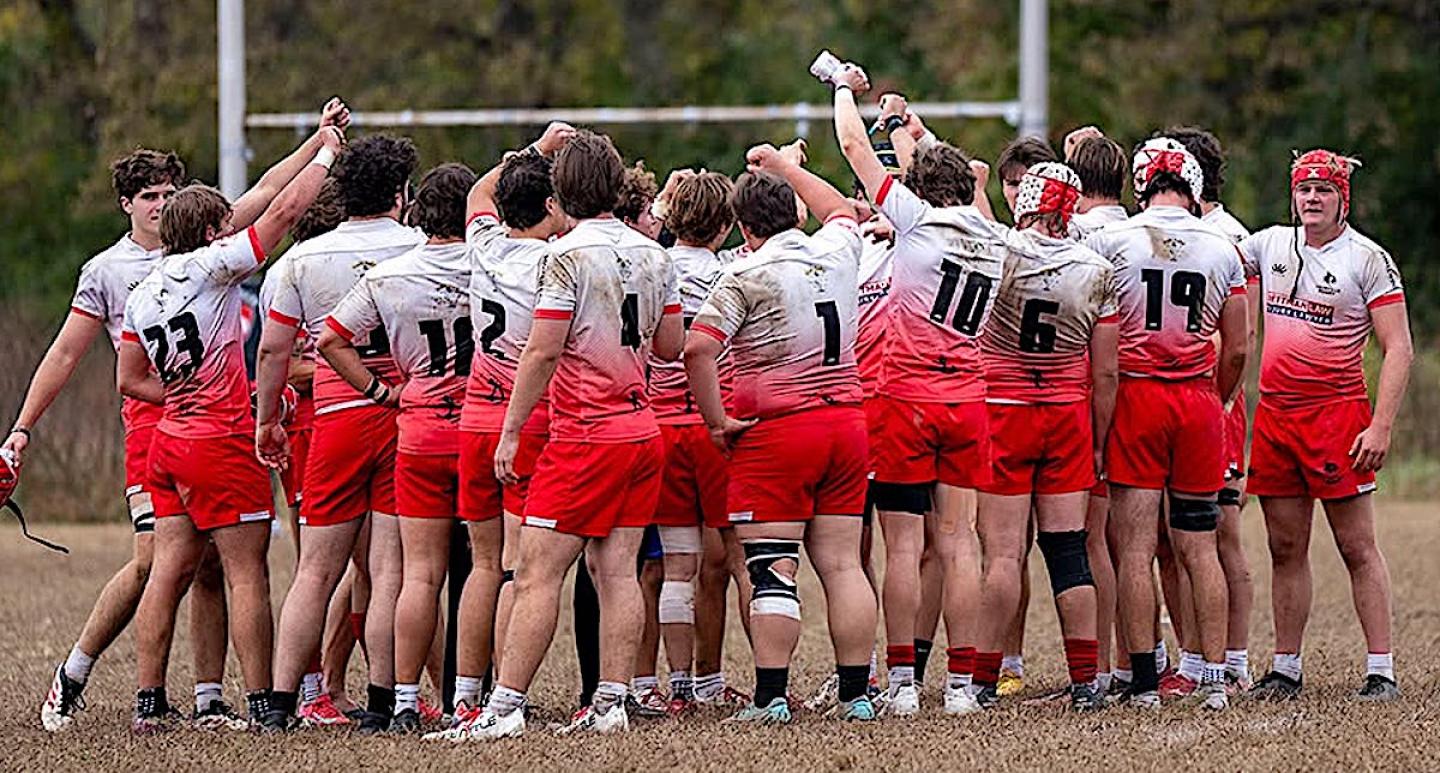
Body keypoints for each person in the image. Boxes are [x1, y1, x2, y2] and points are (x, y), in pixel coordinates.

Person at [117, 119, 343, 733]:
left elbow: (129, 379)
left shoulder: (144, 291)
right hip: (219, 440)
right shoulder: (213, 269)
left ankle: (150, 700)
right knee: (248, 573)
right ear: (214, 235)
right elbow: (288, 206)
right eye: (226, 226)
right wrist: (327, 156)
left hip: (169, 442)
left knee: (170, 570)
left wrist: (183, 395)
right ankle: (265, 706)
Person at [466, 130, 682, 740]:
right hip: (642, 430)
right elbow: (668, 347)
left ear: (560, 194)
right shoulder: (653, 254)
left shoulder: (566, 257)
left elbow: (540, 352)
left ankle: (503, 709)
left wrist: (510, 434)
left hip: (586, 433)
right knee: (617, 572)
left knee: (535, 573)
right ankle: (611, 701)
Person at [16, 149, 233, 732]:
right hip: (151, 426)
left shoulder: (208, 256)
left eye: (169, 194)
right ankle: (74, 674)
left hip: (210, 425)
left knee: (209, 563)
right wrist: (22, 426)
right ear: (126, 205)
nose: (161, 206)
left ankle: (210, 699)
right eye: (149, 197)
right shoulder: (108, 270)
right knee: (152, 562)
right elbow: (65, 352)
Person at [682, 133, 878, 724]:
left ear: (743, 227)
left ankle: (770, 698)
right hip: (846, 422)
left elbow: (696, 348)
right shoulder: (837, 250)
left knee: (772, 565)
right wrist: (787, 168)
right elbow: (840, 211)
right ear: (794, 211)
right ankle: (856, 695)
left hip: (777, 431)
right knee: (844, 565)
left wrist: (716, 423)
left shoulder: (745, 275)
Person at [831, 64, 1002, 717]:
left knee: (904, 545)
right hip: (968, 396)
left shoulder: (915, 221)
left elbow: (851, 147)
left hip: (905, 395)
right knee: (958, 542)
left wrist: (844, 90)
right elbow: (948, 176)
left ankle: (902, 680)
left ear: (917, 189)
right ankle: (960, 683)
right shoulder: (992, 233)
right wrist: (907, 124)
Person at [253, 134, 425, 732]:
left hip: (335, 421)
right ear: (401, 192)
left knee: (315, 571)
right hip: (403, 417)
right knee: (388, 571)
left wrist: (267, 419)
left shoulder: (301, 261)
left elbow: (275, 349)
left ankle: (278, 705)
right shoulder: (420, 247)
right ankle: (384, 701)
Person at [1083, 137, 1249, 711]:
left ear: (1141, 184)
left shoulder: (1111, 239)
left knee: (1133, 549)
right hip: (1197, 400)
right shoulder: (1224, 245)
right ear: (1193, 185)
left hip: (1137, 399)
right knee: (1199, 546)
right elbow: (1237, 348)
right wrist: (1218, 400)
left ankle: (1146, 682)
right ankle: (1215, 679)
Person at [1240, 149, 1411, 702]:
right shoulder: (1268, 245)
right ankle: (1286, 667)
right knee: (1284, 546)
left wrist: (1381, 425)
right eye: (1304, 190)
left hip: (1336, 415)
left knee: (1356, 546)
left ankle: (1381, 669)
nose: (1312, 199)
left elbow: (1399, 348)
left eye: (1324, 191)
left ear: (1344, 198)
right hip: (1275, 416)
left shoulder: (1368, 259)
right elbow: (1211, 252)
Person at [314, 162, 479, 733]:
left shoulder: (391, 274)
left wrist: (380, 390)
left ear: (417, 210)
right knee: (487, 570)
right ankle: (474, 700)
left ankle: (404, 701)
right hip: (479, 426)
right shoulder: (491, 265)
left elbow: (329, 338)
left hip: (420, 428)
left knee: (419, 574)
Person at [423, 125, 575, 741]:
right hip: (527, 420)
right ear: (548, 206)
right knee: (517, 568)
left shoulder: (482, 242)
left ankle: (465, 695)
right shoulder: (556, 259)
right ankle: (505, 701)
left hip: (475, 420)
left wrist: (535, 150)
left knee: (482, 565)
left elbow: (478, 195)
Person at [969, 162, 1117, 713]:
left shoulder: (1001, 252)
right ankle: (1085, 681)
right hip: (1066, 415)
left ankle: (983, 680)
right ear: (1071, 208)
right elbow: (1105, 372)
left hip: (1004, 411)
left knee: (1004, 555)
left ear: (1027, 203)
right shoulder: (1096, 268)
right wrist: (1099, 438)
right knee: (1068, 551)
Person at [1154, 126, 1259, 697]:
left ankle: (1232, 659)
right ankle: (1193, 659)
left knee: (1220, 535)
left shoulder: (1224, 235)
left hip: (1210, 397)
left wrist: (1216, 398)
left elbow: (1240, 336)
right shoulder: (1173, 229)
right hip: (1184, 399)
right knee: (1171, 540)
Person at [642, 169, 742, 715]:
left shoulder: (650, 266)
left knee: (677, 566)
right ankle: (753, 683)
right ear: (726, 225)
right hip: (716, 425)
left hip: (662, 427)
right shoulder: (732, 271)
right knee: (747, 560)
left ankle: (680, 687)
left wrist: (664, 200)